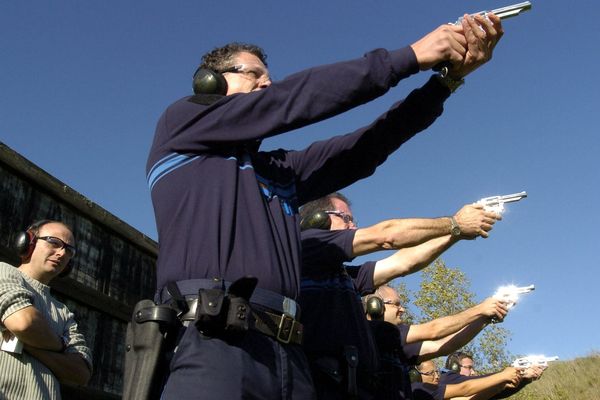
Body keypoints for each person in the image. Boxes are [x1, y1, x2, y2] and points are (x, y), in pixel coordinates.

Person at [147, 12, 504, 399]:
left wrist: (445, 83)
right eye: (252, 73)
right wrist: (411, 56)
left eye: (268, 76)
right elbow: (292, 101)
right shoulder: (181, 124)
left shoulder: (277, 170)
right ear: (211, 81)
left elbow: (364, 148)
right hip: (212, 345)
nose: (267, 82)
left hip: (290, 357)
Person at [298, 192, 501, 399]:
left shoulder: (346, 276)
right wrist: (455, 223)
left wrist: (455, 234)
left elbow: (405, 262)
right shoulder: (308, 245)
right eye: (346, 218)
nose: (353, 226)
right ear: (319, 219)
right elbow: (386, 236)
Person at [0, 220, 92, 399]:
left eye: (69, 250)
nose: (62, 253)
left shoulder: (64, 312)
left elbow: (81, 373)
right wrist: (63, 345)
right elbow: (24, 323)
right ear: (28, 242)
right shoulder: (4, 271)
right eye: (54, 242)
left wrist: (27, 345)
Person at [365, 285, 508, 399]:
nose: (402, 309)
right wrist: (480, 310)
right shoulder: (369, 332)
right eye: (396, 304)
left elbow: (444, 346)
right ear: (375, 305)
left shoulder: (397, 342)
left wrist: (485, 319)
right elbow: (434, 330)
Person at [440, 352, 545, 399]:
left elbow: (499, 393)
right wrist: (509, 374)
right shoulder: (447, 378)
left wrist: (524, 379)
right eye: (468, 367)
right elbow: (471, 383)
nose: (473, 372)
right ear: (454, 367)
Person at [410, 360, 521, 400]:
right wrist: (503, 375)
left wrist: (500, 386)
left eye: (437, 372)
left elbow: (469, 399)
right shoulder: (416, 389)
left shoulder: (433, 393)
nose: (437, 376)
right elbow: (465, 389)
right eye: (430, 373)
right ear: (415, 376)